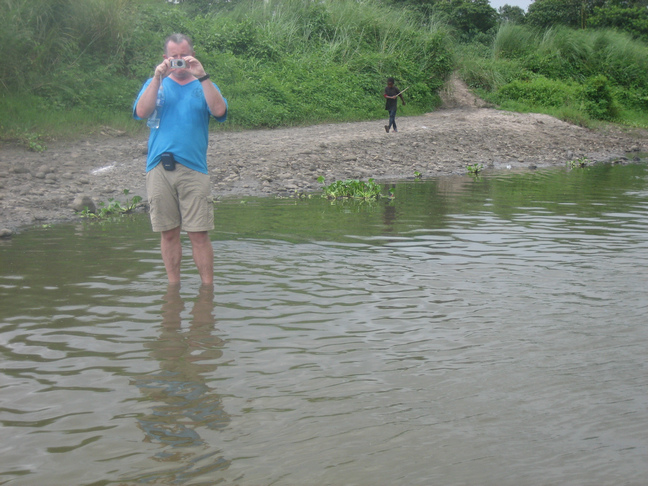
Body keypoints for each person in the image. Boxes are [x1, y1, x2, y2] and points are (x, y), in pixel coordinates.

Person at [133, 33, 228, 285]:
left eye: (183, 55)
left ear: (192, 55)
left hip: (194, 168)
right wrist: (157, 78)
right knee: (168, 234)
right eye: (173, 56)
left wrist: (203, 75)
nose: (179, 60)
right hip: (158, 167)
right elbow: (142, 111)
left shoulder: (204, 84)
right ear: (165, 58)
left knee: (199, 234)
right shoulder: (155, 83)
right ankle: (173, 287)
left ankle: (207, 290)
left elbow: (219, 111)